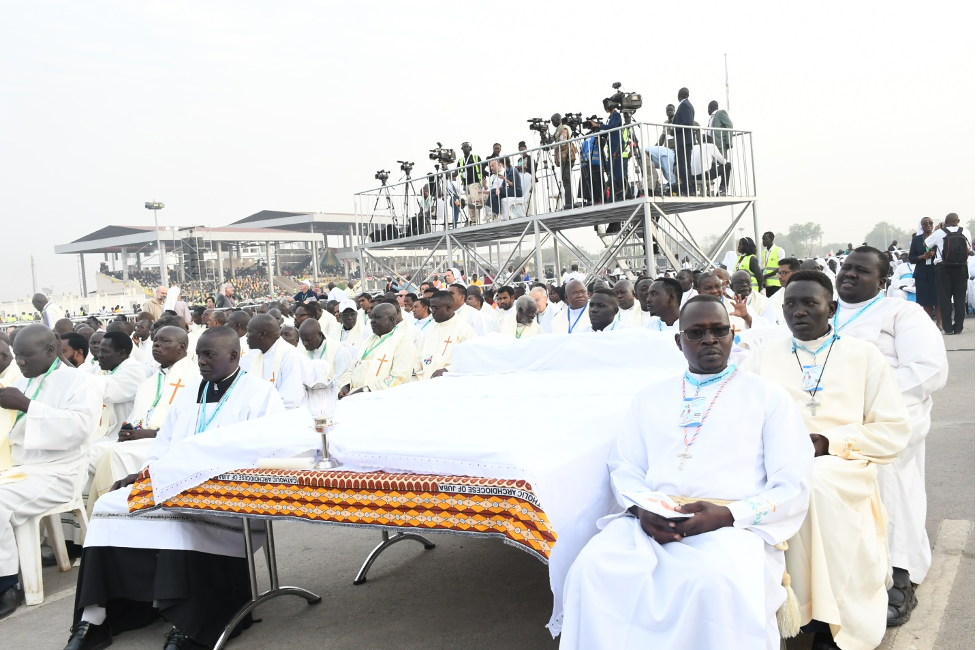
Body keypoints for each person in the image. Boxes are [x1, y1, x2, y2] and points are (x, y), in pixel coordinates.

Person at [560, 296, 813, 650]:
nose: (709, 340)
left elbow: (793, 483)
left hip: (733, 527)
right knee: (592, 569)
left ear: (732, 335)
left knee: (712, 581)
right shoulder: (650, 397)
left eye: (719, 330)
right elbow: (624, 467)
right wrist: (641, 510)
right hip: (652, 521)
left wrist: (727, 514)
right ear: (679, 342)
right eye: (696, 333)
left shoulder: (768, 396)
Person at [66, 327, 284, 650]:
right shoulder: (190, 391)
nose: (202, 362)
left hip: (229, 498)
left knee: (178, 517)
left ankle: (189, 624)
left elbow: (269, 454)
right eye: (199, 355)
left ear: (234, 356)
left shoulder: (261, 395)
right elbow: (163, 444)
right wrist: (145, 474)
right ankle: (95, 619)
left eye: (210, 355)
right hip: (174, 484)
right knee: (107, 507)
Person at [743, 271, 912, 650]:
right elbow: (742, 420)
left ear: (831, 308)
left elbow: (894, 429)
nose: (798, 312)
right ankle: (788, 613)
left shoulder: (863, 355)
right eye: (790, 304)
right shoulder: (762, 356)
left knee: (814, 485)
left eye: (809, 303)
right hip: (779, 461)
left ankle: (825, 622)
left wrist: (828, 441)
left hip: (844, 463)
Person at [833, 248, 948, 625]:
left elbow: (928, 370)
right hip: (830, 411)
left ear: (882, 280)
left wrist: (865, 395)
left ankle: (898, 571)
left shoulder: (903, 313)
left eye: (861, 270)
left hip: (891, 409)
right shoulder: (819, 309)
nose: (849, 275)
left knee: (883, 466)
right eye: (846, 268)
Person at [0, 330, 96, 620]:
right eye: (17, 356)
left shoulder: (79, 381)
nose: (21, 362)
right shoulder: (20, 380)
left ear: (52, 349)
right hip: (19, 467)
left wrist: (26, 405)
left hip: (57, 471)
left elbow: (80, 427)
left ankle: (7, 584)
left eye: (26, 355)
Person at [87, 326, 200, 516]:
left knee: (112, 454)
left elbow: (192, 426)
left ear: (182, 347)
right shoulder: (150, 381)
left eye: (165, 341)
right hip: (140, 441)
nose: (156, 344)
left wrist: (148, 433)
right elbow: (136, 419)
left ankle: (117, 512)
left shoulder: (196, 379)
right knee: (88, 451)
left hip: (168, 444)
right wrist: (129, 430)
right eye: (156, 340)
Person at [339, 303, 416, 397]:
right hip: (355, 396)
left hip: (382, 398)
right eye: (371, 318)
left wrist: (365, 391)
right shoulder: (368, 341)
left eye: (377, 318)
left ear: (391, 320)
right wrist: (345, 387)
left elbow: (398, 378)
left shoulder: (403, 342)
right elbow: (352, 368)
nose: (372, 321)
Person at [241, 314, 311, 410]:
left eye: (249, 332)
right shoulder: (258, 355)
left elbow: (289, 402)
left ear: (263, 334)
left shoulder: (291, 357)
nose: (246, 336)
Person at [924, 213, 972, 334]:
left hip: (943, 268)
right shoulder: (965, 232)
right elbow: (969, 249)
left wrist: (937, 231)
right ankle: (959, 327)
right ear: (958, 221)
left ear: (945, 221)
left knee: (944, 298)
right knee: (960, 298)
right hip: (961, 267)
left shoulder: (939, 233)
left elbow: (926, 244)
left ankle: (948, 328)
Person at [415, 291, 476, 380]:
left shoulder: (465, 330)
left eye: (435, 308)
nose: (432, 312)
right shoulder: (430, 331)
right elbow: (419, 359)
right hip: (427, 382)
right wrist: (413, 369)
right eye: (431, 308)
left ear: (448, 307)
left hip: (451, 382)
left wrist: (447, 370)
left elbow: (470, 361)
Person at [588, 98, 624, 202]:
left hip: (616, 146)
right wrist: (596, 130)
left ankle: (619, 193)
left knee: (616, 170)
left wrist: (598, 125)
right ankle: (613, 194)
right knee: (610, 169)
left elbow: (612, 127)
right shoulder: (611, 117)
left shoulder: (616, 115)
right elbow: (608, 131)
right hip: (611, 146)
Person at [298, 319, 353, 383]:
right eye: (303, 340)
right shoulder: (303, 352)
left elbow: (342, 381)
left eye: (309, 340)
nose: (305, 344)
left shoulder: (339, 351)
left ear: (320, 334)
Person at [908, 218, 940, 328]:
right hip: (922, 273)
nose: (928, 225)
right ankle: (929, 325)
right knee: (926, 299)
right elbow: (911, 258)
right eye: (925, 224)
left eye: (930, 223)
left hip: (937, 272)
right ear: (921, 226)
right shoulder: (916, 240)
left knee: (938, 298)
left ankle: (940, 323)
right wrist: (922, 256)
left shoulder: (938, 237)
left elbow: (944, 252)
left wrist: (934, 253)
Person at [761, 257, 800, 327]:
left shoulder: (807, 293)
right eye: (778, 273)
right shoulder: (773, 299)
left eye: (783, 273)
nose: (779, 276)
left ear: (796, 273)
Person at [672, 87, 696, 196]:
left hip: (683, 140)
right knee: (687, 165)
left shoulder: (684, 105)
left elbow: (688, 122)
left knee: (683, 165)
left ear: (679, 95)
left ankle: (688, 189)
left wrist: (674, 129)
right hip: (687, 140)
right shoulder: (689, 105)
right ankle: (689, 188)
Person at [552, 113, 576, 210]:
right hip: (563, 158)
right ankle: (569, 202)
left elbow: (563, 142)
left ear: (558, 120)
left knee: (567, 180)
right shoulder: (558, 130)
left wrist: (554, 146)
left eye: (553, 121)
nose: (552, 123)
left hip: (567, 157)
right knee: (565, 180)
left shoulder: (563, 129)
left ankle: (569, 203)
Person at [457, 142, 484, 224]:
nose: (465, 148)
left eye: (467, 147)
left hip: (475, 183)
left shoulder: (475, 157)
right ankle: (473, 220)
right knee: (470, 201)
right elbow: (456, 172)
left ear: (470, 148)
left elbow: (481, 169)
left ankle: (477, 220)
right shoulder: (461, 160)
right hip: (466, 185)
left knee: (475, 201)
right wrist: (446, 171)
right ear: (462, 149)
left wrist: (483, 180)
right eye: (464, 147)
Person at [760, 232, 786, 297]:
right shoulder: (764, 252)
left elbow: (781, 267)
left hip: (777, 283)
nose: (763, 241)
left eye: (765, 239)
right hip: (767, 284)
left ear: (771, 239)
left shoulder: (779, 250)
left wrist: (766, 276)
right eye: (763, 239)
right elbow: (764, 267)